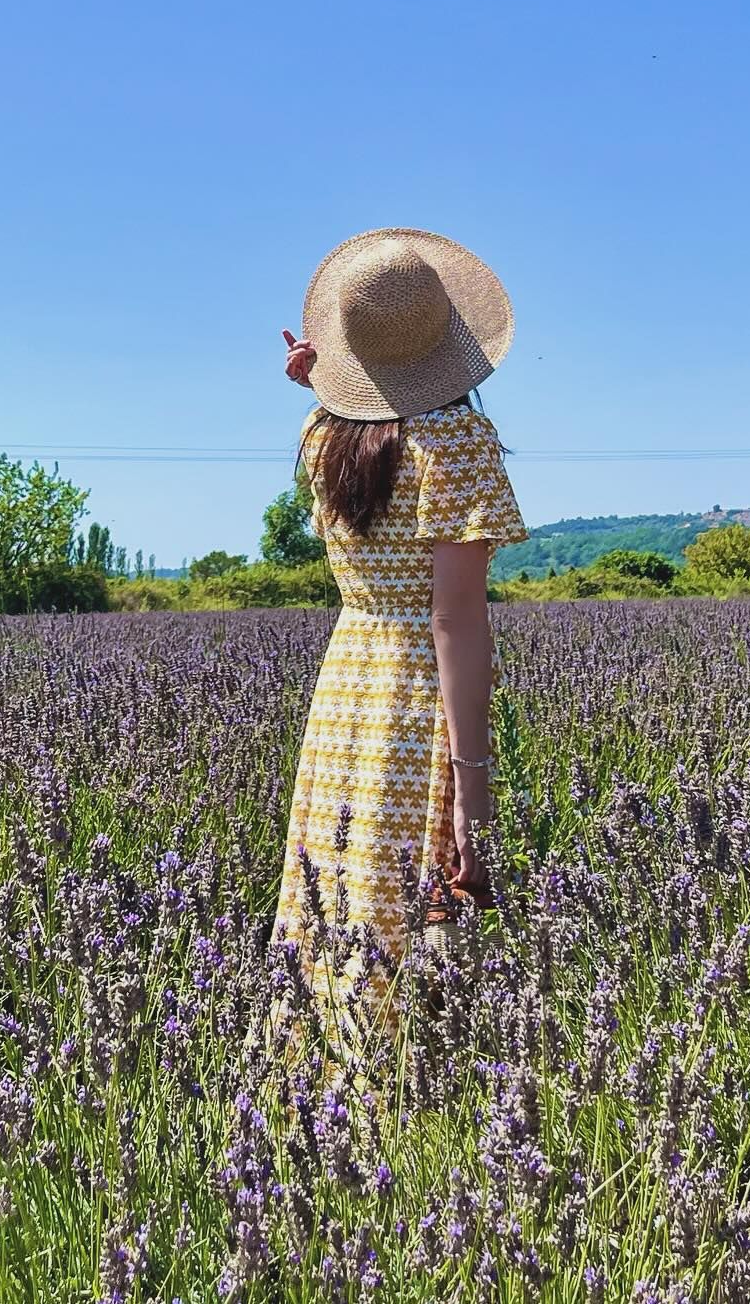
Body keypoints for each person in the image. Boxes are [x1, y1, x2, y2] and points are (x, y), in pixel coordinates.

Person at [268, 227, 527, 1064]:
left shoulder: (320, 437)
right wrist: (472, 788)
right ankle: (403, 1118)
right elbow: (455, 620)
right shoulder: (457, 444)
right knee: (416, 916)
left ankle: (311, 1105)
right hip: (417, 704)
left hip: (344, 698)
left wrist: (322, 387)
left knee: (335, 909)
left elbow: (357, 425)